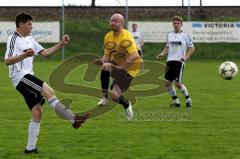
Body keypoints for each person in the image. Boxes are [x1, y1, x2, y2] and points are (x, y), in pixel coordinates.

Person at [4, 12, 88, 154]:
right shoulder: (13, 38)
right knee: (49, 91)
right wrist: (24, 55)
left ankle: (30, 148)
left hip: (27, 76)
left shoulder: (30, 38)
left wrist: (61, 44)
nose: (31, 27)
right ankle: (74, 119)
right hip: (19, 77)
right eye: (29, 24)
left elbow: (45, 53)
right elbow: (7, 61)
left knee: (37, 111)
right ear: (22, 24)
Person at [94, 13, 141, 120]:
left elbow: (135, 55)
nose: (113, 23)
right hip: (117, 64)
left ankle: (127, 105)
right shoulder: (108, 36)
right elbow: (107, 55)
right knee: (105, 66)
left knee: (115, 96)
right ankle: (105, 97)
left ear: (122, 23)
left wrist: (122, 67)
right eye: (111, 20)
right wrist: (101, 61)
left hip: (131, 67)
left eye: (116, 21)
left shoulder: (126, 36)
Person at [156, 15, 195, 108]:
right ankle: (176, 101)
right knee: (167, 83)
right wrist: (162, 54)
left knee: (177, 84)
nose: (176, 25)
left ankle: (188, 99)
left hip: (179, 62)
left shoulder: (185, 35)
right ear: (172, 24)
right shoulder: (169, 34)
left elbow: (192, 47)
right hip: (170, 61)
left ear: (182, 25)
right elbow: (167, 47)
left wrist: (186, 56)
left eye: (178, 23)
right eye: (175, 23)